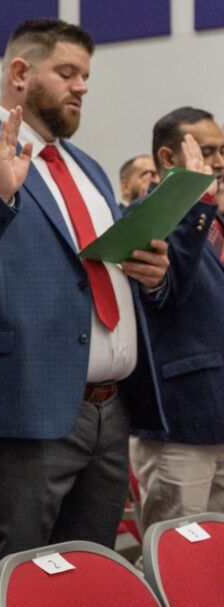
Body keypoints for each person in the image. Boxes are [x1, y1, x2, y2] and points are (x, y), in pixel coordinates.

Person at [0, 20, 171, 607]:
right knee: (8, 583)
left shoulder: (89, 168)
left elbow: (100, 275)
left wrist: (152, 274)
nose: (81, 87)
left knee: (88, 583)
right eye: (68, 73)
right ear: (22, 73)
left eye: (86, 77)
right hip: (20, 415)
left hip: (109, 412)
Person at [127, 107, 224, 530]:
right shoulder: (144, 216)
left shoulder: (214, 218)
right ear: (168, 159)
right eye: (207, 150)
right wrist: (196, 200)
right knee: (173, 561)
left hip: (219, 415)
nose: (219, 160)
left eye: (222, 150)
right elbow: (166, 293)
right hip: (181, 422)